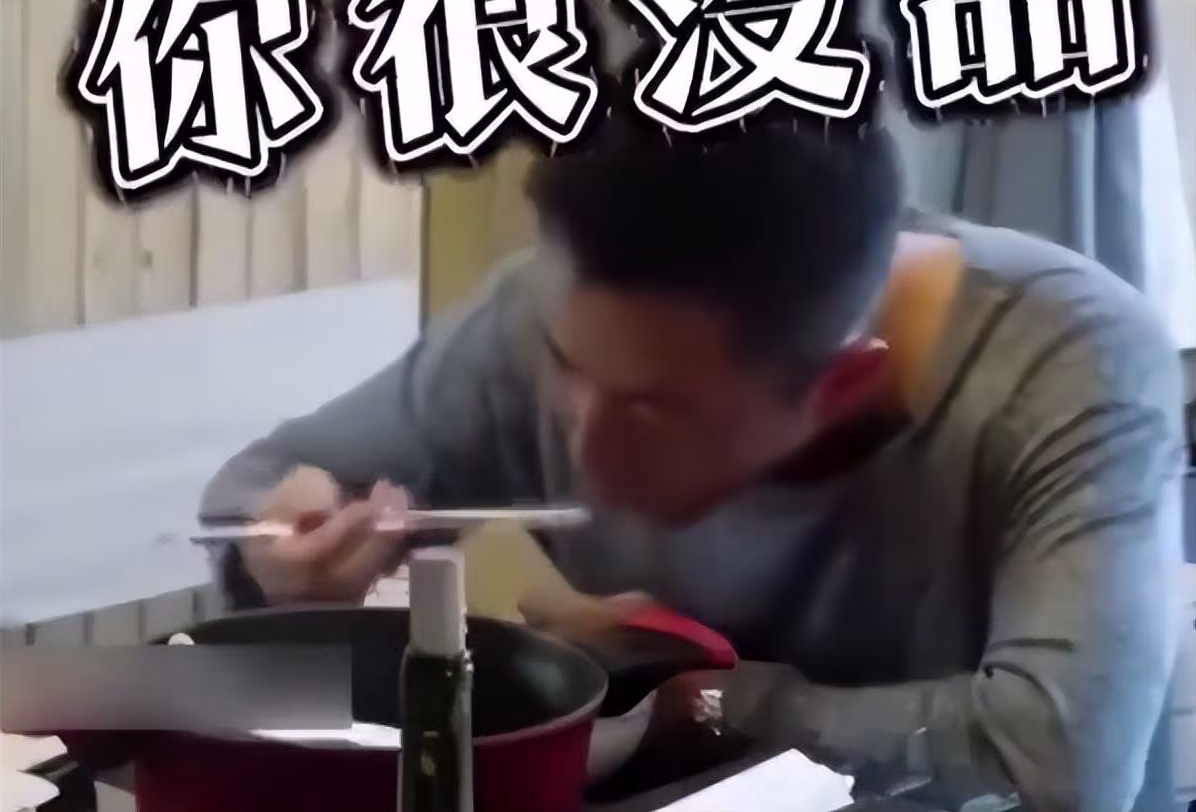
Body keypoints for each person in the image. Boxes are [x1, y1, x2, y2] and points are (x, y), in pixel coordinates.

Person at [201, 111, 1184, 811]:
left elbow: (1058, 756)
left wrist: (709, 700)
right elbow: (266, 485)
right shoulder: (554, 316)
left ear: (841, 385)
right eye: (565, 369)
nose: (581, 443)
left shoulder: (1068, 365)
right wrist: (279, 546)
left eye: (653, 408)